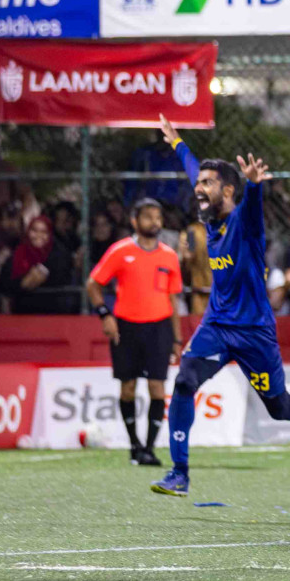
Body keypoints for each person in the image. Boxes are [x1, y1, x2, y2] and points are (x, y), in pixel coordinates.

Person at [150, 115, 290, 497]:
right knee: (183, 382)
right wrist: (178, 142)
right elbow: (195, 169)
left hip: (254, 333)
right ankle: (179, 472)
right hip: (216, 326)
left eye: (207, 185)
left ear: (228, 192)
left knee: (279, 407)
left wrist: (254, 186)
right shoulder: (210, 218)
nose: (198, 188)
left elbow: (250, 204)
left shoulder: (245, 224)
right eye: (198, 183)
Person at [86, 198, 183, 467]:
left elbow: (174, 300)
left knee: (157, 387)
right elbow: (93, 284)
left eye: (158, 216)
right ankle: (133, 445)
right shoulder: (120, 251)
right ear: (135, 221)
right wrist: (104, 314)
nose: (155, 222)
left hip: (159, 327)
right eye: (148, 216)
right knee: (127, 387)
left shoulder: (169, 256)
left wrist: (177, 338)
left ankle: (149, 448)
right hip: (126, 327)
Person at [0, 215, 78, 314]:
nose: (39, 235)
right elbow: (2, 283)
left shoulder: (59, 254)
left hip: (53, 316)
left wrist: (43, 275)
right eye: (34, 231)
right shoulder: (19, 253)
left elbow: (63, 279)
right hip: (22, 316)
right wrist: (22, 283)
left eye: (44, 232)